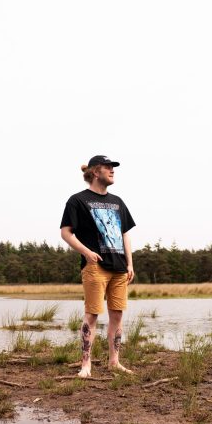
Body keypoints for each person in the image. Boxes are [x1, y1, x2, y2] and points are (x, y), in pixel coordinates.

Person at [60, 155, 135, 377]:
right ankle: (86, 365)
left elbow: (124, 234)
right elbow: (66, 232)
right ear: (95, 172)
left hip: (120, 268)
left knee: (117, 315)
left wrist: (130, 263)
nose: (112, 171)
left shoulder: (118, 202)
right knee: (91, 315)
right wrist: (86, 252)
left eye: (113, 168)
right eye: (108, 167)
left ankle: (114, 362)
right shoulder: (78, 200)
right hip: (96, 267)